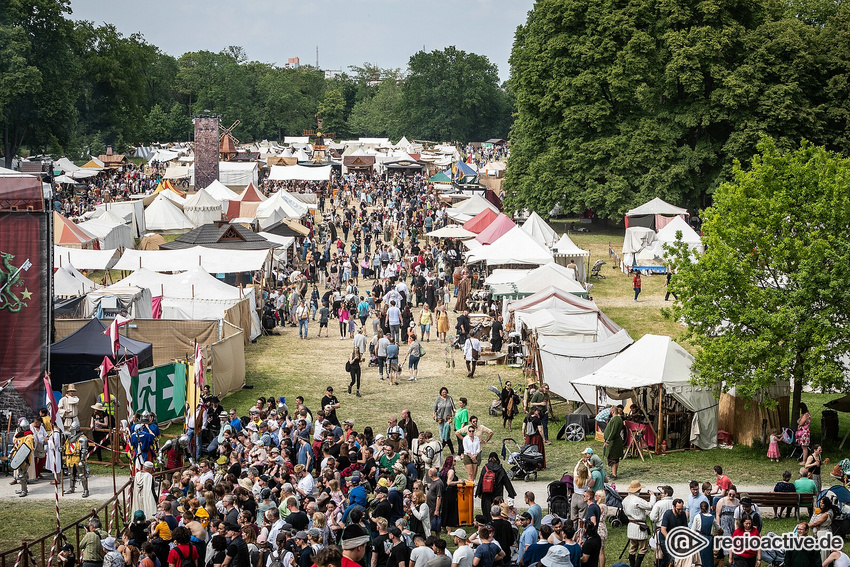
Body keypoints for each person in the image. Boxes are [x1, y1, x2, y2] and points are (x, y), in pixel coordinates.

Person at [622, 480, 656, 567]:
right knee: (643, 548)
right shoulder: (637, 500)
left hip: (631, 525)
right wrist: (652, 496)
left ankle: (632, 565)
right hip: (639, 527)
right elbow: (650, 506)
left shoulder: (625, 500)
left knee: (632, 548)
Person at [659, 499, 687, 567]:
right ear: (674, 507)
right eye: (678, 509)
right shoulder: (668, 514)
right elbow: (663, 529)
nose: (680, 511)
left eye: (681, 509)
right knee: (671, 559)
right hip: (665, 539)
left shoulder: (683, 514)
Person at [689, 501, 717, 567]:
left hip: (699, 539)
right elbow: (718, 528)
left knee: (699, 558)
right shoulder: (712, 517)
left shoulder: (697, 516)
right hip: (708, 539)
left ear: (700, 508)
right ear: (708, 508)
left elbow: (692, 530)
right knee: (708, 557)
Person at [603, 406, 624, 479]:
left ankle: (614, 474)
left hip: (613, 442)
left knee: (613, 458)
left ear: (612, 411)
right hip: (614, 441)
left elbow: (613, 431)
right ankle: (613, 473)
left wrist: (608, 440)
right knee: (614, 458)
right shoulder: (618, 418)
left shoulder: (616, 419)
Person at [433, 387, 456, 455]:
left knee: (447, 428)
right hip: (440, 416)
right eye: (443, 392)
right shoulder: (438, 399)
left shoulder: (449, 398)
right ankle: (443, 440)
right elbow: (435, 407)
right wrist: (434, 414)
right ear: (441, 393)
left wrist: (454, 412)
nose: (444, 393)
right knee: (441, 428)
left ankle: (445, 440)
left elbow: (453, 406)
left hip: (448, 416)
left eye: (445, 392)